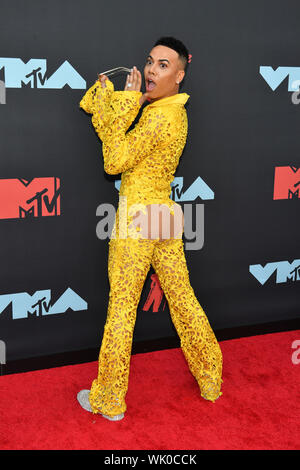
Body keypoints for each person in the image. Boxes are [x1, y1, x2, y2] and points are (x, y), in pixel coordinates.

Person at [77, 36, 223, 421]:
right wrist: (127, 102)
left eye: (162, 66)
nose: (151, 71)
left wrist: (123, 103)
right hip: (164, 216)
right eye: (150, 62)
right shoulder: (174, 112)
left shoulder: (161, 115)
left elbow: (115, 159)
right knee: (182, 298)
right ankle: (210, 377)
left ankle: (108, 400)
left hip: (137, 220)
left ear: (180, 75)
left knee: (122, 309)